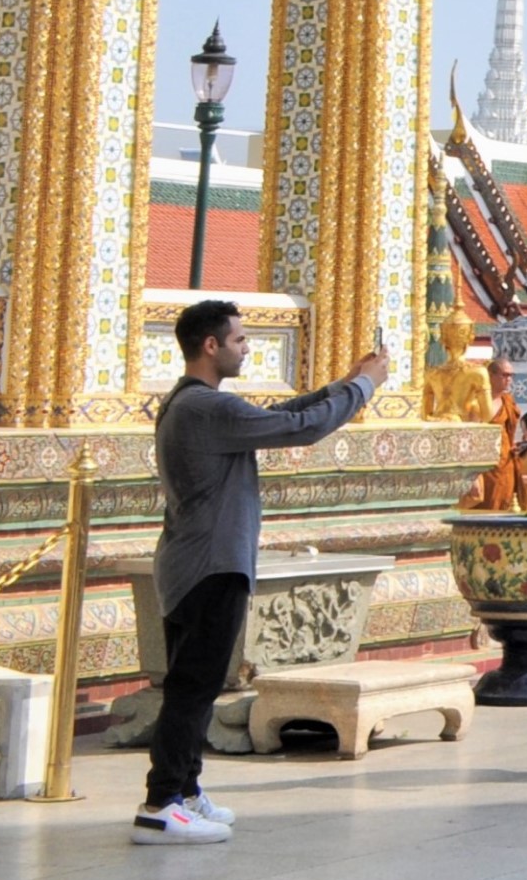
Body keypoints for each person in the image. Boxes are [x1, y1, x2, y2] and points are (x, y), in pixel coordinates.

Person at [136, 301, 386, 845]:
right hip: (209, 566)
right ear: (210, 345)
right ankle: (161, 802)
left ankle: (186, 790)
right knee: (193, 688)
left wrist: (340, 384)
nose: (246, 348)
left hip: (196, 562)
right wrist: (363, 388)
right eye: (240, 340)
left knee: (194, 684)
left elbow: (284, 413)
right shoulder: (204, 409)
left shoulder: (195, 404)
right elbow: (301, 429)